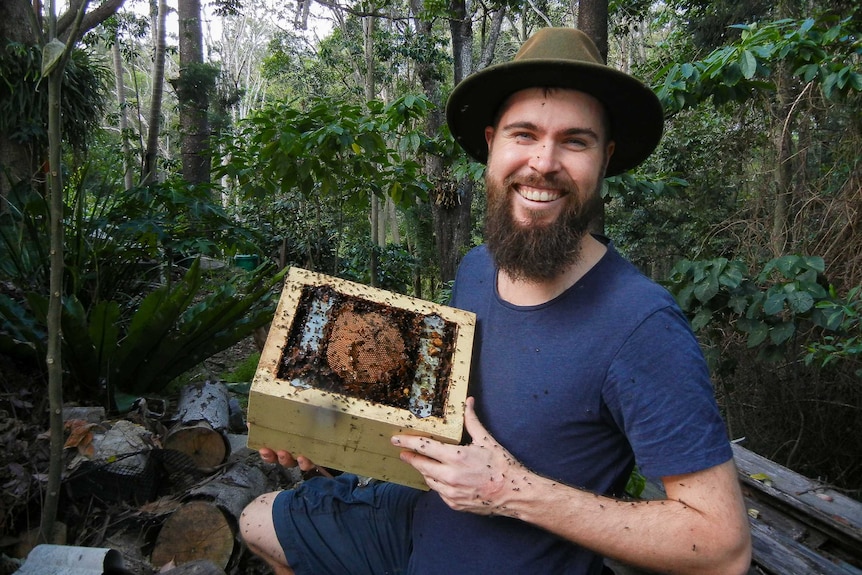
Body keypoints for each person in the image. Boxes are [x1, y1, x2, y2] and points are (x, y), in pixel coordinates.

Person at [240, 27, 752, 575]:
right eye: (523, 134)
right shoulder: (478, 266)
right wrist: (326, 430)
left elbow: (723, 548)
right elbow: (445, 415)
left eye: (575, 141)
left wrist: (512, 492)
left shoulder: (643, 326)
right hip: (420, 520)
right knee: (258, 520)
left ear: (605, 159)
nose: (543, 162)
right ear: (492, 144)